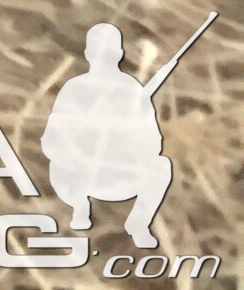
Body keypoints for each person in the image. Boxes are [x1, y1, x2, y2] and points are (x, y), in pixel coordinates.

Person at [40, 23, 176, 248]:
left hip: (117, 172)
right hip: (76, 174)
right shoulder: (75, 88)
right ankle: (79, 211)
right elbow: (52, 140)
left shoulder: (131, 90)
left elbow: (153, 141)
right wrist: (80, 146)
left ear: (120, 54)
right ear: (88, 53)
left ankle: (139, 223)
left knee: (161, 167)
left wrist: (128, 137)